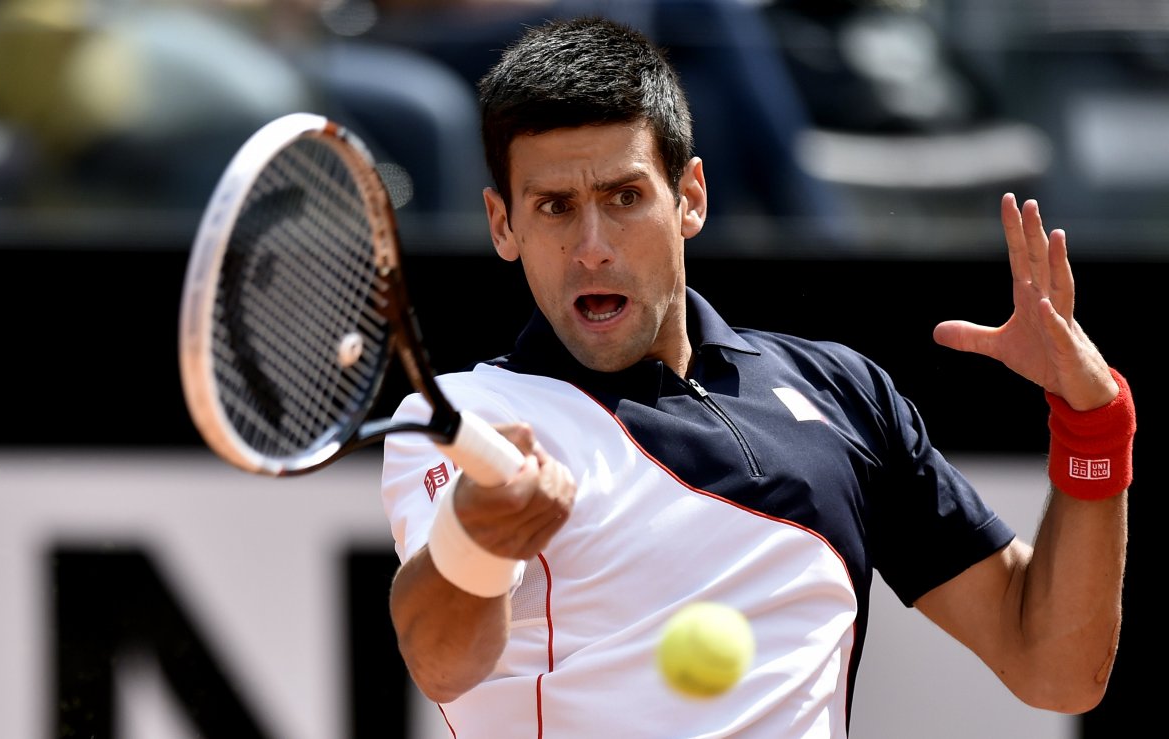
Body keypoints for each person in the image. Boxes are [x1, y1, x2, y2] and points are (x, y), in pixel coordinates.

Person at [379, 16, 1135, 738]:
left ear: (692, 198)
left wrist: (1091, 419)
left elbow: (1057, 669)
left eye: (625, 196)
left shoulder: (844, 394)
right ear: (502, 223)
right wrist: (478, 538)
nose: (592, 246)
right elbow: (442, 662)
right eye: (554, 207)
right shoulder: (472, 420)